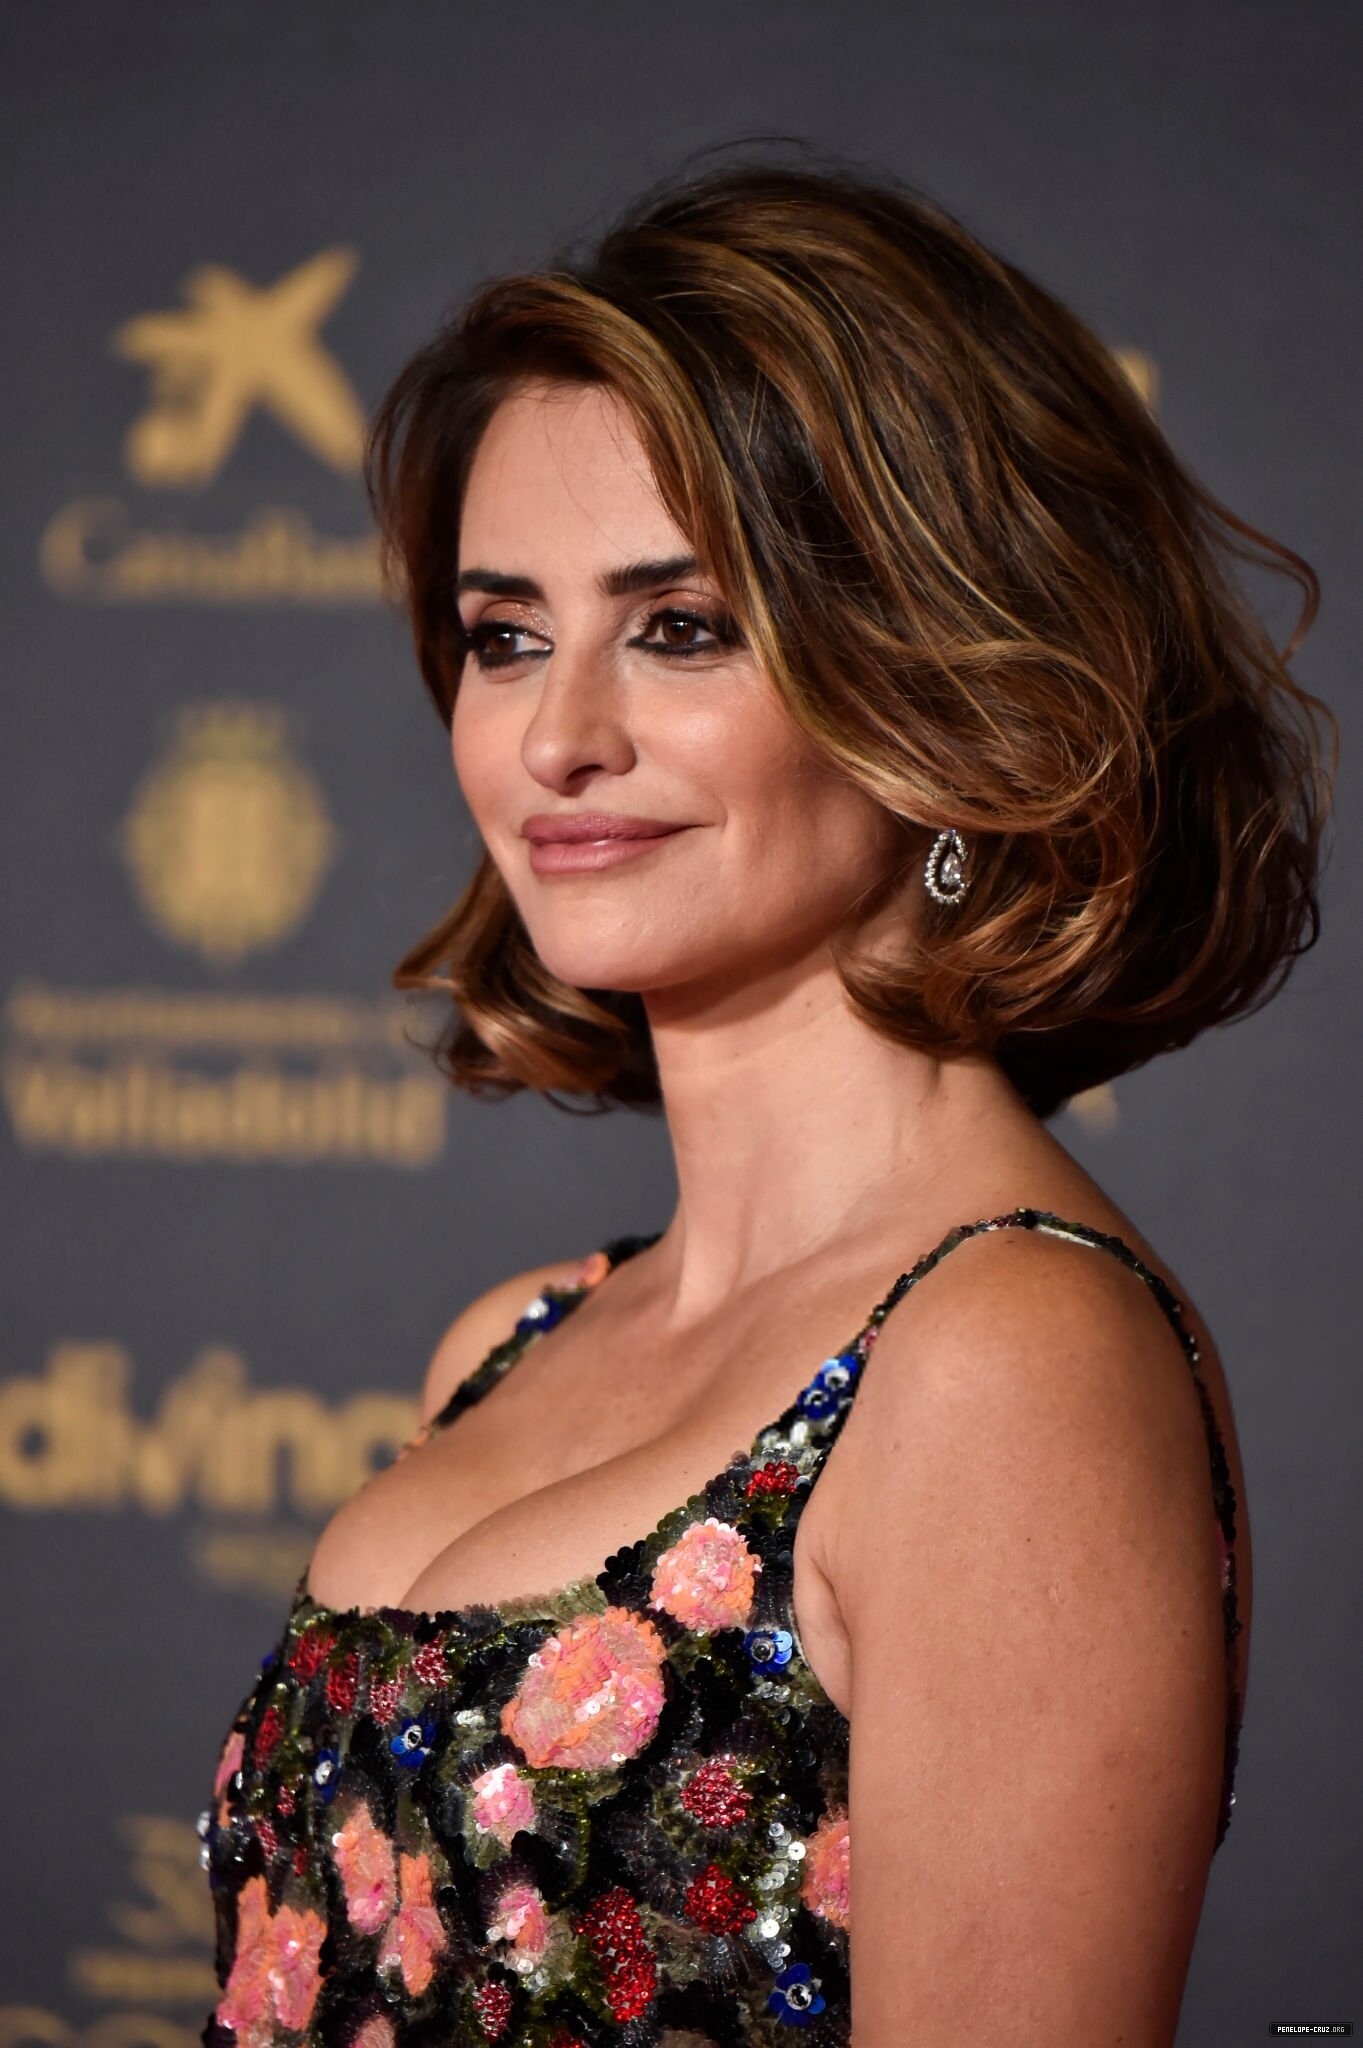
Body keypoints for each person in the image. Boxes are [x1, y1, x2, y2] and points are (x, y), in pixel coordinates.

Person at [200, 156, 1334, 2047]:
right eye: (505, 635)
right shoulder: (511, 1340)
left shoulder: (1005, 1362)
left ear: (936, 685)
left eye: (684, 625)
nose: (558, 737)